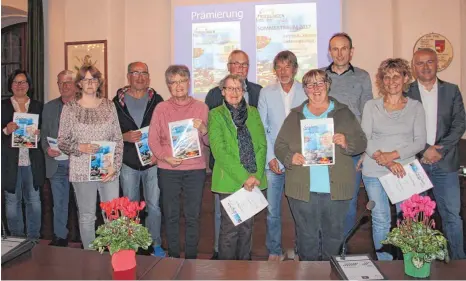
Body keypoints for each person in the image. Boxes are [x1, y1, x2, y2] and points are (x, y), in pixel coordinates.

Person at [274, 69, 367, 261]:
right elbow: (279, 146)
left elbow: (361, 142)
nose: (316, 88)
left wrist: (346, 141)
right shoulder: (295, 115)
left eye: (320, 83)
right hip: (302, 190)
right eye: (310, 84)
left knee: (334, 238)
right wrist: (290, 157)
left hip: (336, 189)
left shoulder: (344, 113)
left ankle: (330, 273)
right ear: (305, 89)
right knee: (307, 238)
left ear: (328, 85)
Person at [361, 58, 426, 260]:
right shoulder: (371, 106)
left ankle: (409, 264)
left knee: (407, 220)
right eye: (386, 77)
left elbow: (419, 142)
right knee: (380, 220)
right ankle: (386, 265)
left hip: (405, 171)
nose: (391, 81)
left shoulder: (415, 107)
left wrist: (394, 156)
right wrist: (387, 161)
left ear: (405, 78)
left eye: (396, 76)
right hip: (375, 170)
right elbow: (366, 138)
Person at [407, 48, 466, 260]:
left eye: (429, 62)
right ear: (414, 67)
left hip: (445, 162)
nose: (425, 66)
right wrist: (425, 149)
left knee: (452, 216)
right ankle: (419, 263)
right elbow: (403, 127)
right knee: (415, 217)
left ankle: (459, 264)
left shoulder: (451, 90)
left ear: (437, 64)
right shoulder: (406, 92)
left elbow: (460, 123)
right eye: (420, 63)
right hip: (416, 163)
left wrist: (439, 149)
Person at [57, 64, 123, 250]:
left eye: (93, 79)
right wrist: (81, 147)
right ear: (79, 83)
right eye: (86, 80)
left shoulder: (109, 106)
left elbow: (118, 139)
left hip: (107, 168)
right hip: (81, 168)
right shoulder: (69, 109)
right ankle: (89, 256)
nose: (90, 83)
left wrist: (115, 166)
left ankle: (114, 254)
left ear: (99, 82)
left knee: (112, 215)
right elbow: (62, 141)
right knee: (87, 216)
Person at [205, 49, 262, 259]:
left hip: (251, 178)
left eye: (238, 88)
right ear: (223, 91)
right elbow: (220, 151)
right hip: (229, 178)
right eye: (230, 88)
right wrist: (244, 176)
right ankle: (227, 271)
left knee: (247, 228)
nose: (234, 92)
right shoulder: (215, 114)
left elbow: (261, 145)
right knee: (229, 230)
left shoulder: (253, 112)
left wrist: (253, 175)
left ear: (243, 90)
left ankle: (244, 269)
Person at [148, 65, 209, 259]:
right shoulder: (161, 108)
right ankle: (173, 256)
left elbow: (208, 143)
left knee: (193, 216)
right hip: (168, 169)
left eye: (182, 81)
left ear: (189, 82)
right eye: (173, 82)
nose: (178, 86)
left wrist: (204, 130)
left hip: (195, 170)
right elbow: (152, 140)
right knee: (171, 215)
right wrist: (165, 156)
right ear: (168, 86)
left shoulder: (201, 107)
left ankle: (191, 257)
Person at [257, 50, 307, 261]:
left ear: (295, 68)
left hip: (300, 161)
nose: (283, 71)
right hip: (274, 163)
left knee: (301, 210)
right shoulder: (266, 93)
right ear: (274, 70)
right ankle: (274, 251)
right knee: (272, 212)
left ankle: (300, 250)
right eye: (279, 67)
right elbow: (262, 128)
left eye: (287, 66)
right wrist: (270, 157)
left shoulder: (306, 92)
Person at [113, 61, 165, 256]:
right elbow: (109, 132)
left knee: (154, 206)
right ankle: (131, 243)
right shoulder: (117, 101)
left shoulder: (157, 99)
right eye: (136, 73)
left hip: (152, 161)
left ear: (149, 77)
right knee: (130, 206)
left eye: (144, 73)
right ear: (128, 76)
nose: (140, 77)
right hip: (128, 163)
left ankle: (155, 243)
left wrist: (159, 154)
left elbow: (164, 129)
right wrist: (123, 136)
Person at [323, 33, 373, 235]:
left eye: (344, 48)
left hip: (352, 150)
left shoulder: (362, 76)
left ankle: (341, 248)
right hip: (324, 149)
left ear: (351, 51)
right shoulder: (320, 76)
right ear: (329, 52)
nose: (339, 53)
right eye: (335, 49)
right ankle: (324, 250)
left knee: (349, 202)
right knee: (324, 200)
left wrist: (365, 151)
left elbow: (368, 114)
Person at [1, 69, 44, 240]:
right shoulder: (2, 106)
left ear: (29, 85)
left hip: (32, 162)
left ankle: (34, 240)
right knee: (12, 203)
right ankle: (16, 240)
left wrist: (39, 135)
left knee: (34, 202)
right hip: (9, 163)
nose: (20, 85)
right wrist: (5, 130)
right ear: (10, 85)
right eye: (16, 82)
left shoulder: (38, 106)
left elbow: (47, 133)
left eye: (23, 82)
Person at [41, 70, 76, 246]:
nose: (64, 86)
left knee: (83, 204)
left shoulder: (84, 106)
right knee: (58, 203)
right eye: (61, 82)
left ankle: (86, 239)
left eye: (68, 82)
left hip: (79, 163)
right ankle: (60, 237)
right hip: (56, 163)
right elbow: (43, 134)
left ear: (76, 84)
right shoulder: (48, 107)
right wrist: (47, 149)